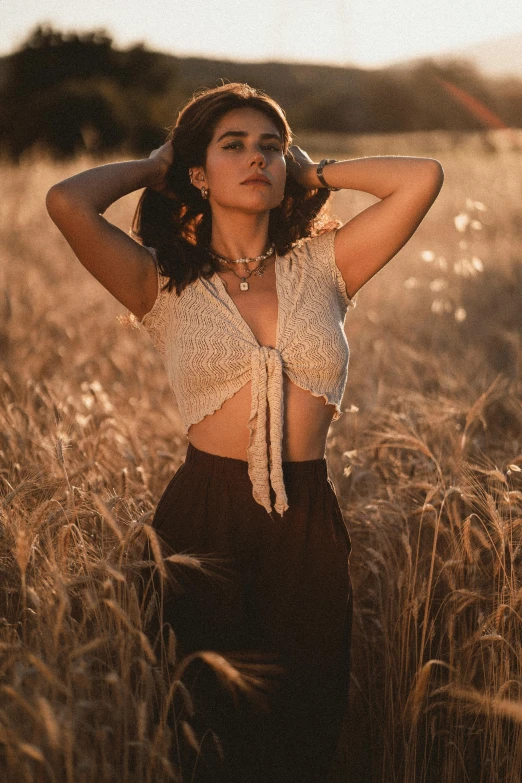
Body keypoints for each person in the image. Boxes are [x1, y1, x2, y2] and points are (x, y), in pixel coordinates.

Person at [46, 82, 444, 782]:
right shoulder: (161, 281)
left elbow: (423, 178)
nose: (257, 158)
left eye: (271, 147)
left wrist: (315, 174)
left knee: (305, 724)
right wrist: (154, 164)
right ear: (197, 172)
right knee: (201, 731)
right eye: (233, 145)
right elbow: (67, 202)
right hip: (204, 519)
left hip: (306, 517)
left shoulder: (327, 266)